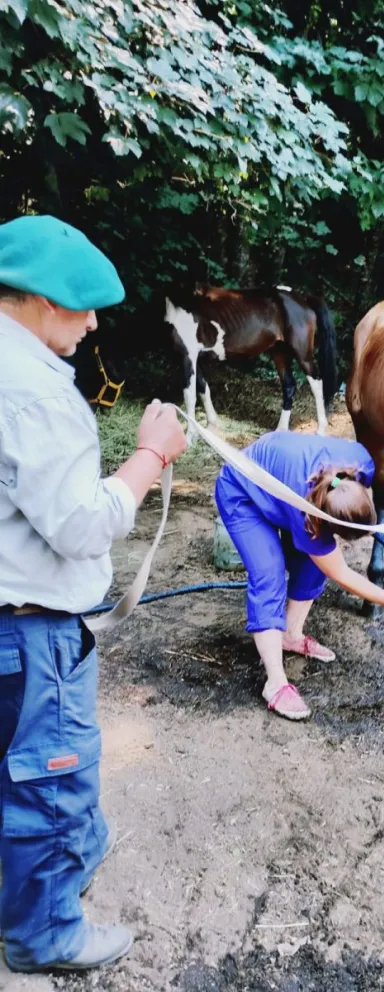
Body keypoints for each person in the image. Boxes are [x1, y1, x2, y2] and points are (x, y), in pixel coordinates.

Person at [0, 215, 188, 973]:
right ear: (43, 301)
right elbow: (81, 524)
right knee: (52, 779)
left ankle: (49, 870)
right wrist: (149, 456)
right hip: (34, 630)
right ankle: (46, 936)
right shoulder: (33, 390)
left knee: (17, 766)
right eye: (83, 306)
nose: (94, 322)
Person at [215, 430, 384, 720]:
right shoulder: (306, 513)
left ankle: (291, 635)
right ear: (324, 518)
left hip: (281, 478)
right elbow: (340, 572)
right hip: (242, 491)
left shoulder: (361, 463)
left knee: (312, 562)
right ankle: (276, 684)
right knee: (269, 574)